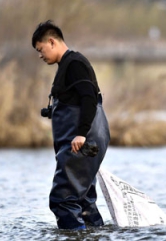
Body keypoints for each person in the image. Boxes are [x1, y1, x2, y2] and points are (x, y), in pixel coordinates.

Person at [31, 20, 110, 230]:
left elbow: (89, 98)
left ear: (51, 41)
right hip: (85, 142)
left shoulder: (74, 64)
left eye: (41, 49)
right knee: (83, 201)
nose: (40, 55)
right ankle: (95, 233)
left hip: (81, 142)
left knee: (62, 200)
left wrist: (81, 134)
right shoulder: (68, 65)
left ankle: (75, 235)